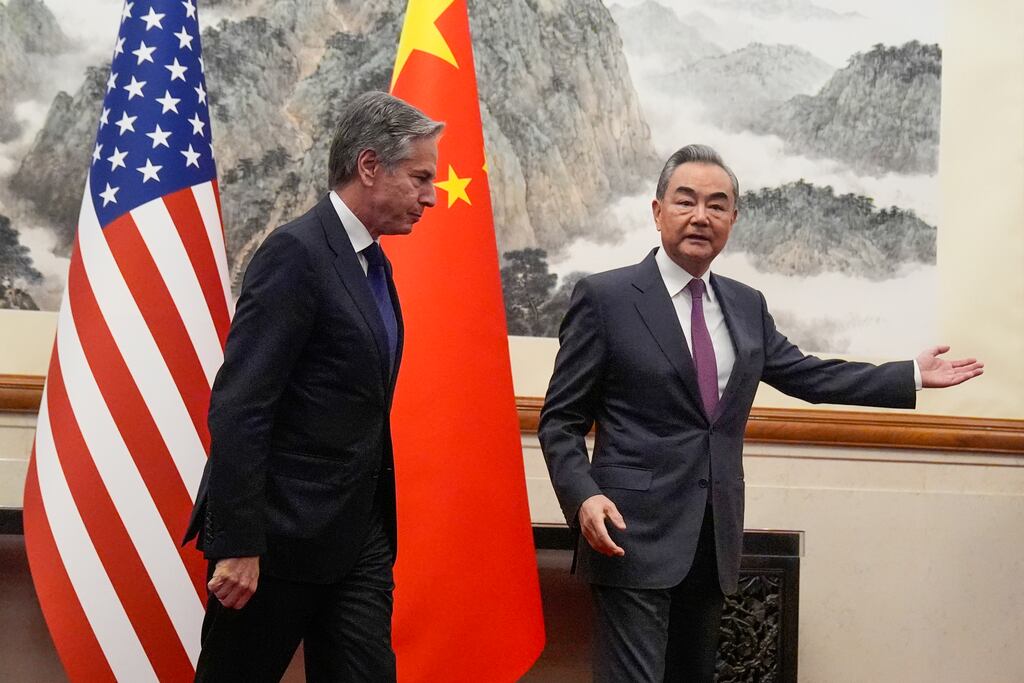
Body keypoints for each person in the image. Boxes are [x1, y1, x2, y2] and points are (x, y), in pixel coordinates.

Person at [537, 144, 983, 682]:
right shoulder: (605, 297)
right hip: (627, 532)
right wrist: (583, 496)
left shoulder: (745, 303)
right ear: (657, 211)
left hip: (712, 539)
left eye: (717, 205)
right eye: (685, 201)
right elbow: (560, 420)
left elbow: (808, 376)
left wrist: (909, 374)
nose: (701, 216)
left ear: (733, 219)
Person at [182, 91, 442, 682]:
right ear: (370, 166)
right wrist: (239, 542)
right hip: (276, 538)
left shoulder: (373, 262)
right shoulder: (295, 253)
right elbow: (241, 404)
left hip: (359, 539)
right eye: (420, 177)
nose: (431, 196)